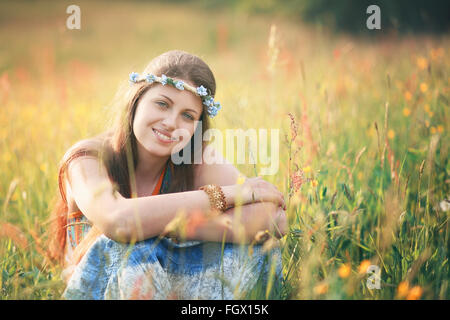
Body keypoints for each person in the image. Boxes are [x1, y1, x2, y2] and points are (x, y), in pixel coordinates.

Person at [47, 50, 288, 300]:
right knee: (132, 247)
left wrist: (175, 227)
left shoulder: (193, 159)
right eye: (162, 104)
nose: (172, 123)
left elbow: (274, 220)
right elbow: (118, 221)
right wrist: (226, 195)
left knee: (259, 248)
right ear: (136, 99)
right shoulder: (87, 157)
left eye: (188, 116)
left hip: (164, 284)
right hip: (99, 288)